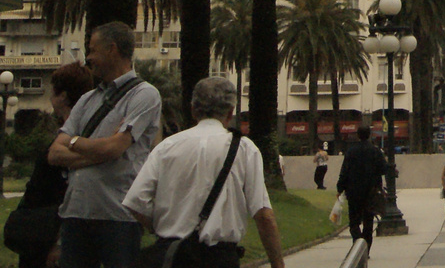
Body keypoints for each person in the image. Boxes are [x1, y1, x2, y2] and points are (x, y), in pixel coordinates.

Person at [122, 77, 284, 268]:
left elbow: (135, 200)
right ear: (230, 113)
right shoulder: (244, 149)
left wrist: (160, 226)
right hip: (219, 257)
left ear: (193, 109)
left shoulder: (167, 147)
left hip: (172, 255)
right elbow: (263, 215)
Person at [48, 22, 164, 268]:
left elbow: (114, 148)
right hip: (76, 212)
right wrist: (98, 150)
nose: (89, 58)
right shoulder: (87, 100)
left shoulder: (144, 95)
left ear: (111, 49)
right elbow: (55, 153)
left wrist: (74, 142)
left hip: (117, 216)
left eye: (92, 50)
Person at [11, 63, 96, 268]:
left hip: (48, 233)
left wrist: (57, 242)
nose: (50, 99)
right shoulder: (80, 137)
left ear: (63, 97)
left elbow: (69, 193)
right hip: (39, 231)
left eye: (53, 93)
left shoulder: (73, 142)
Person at [334, 126, 386, 247]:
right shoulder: (375, 151)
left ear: (357, 135)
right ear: (369, 135)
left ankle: (357, 242)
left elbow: (344, 171)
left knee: (354, 221)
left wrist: (340, 188)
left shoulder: (351, 151)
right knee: (368, 221)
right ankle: (366, 247)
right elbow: (383, 169)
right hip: (371, 191)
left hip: (353, 191)